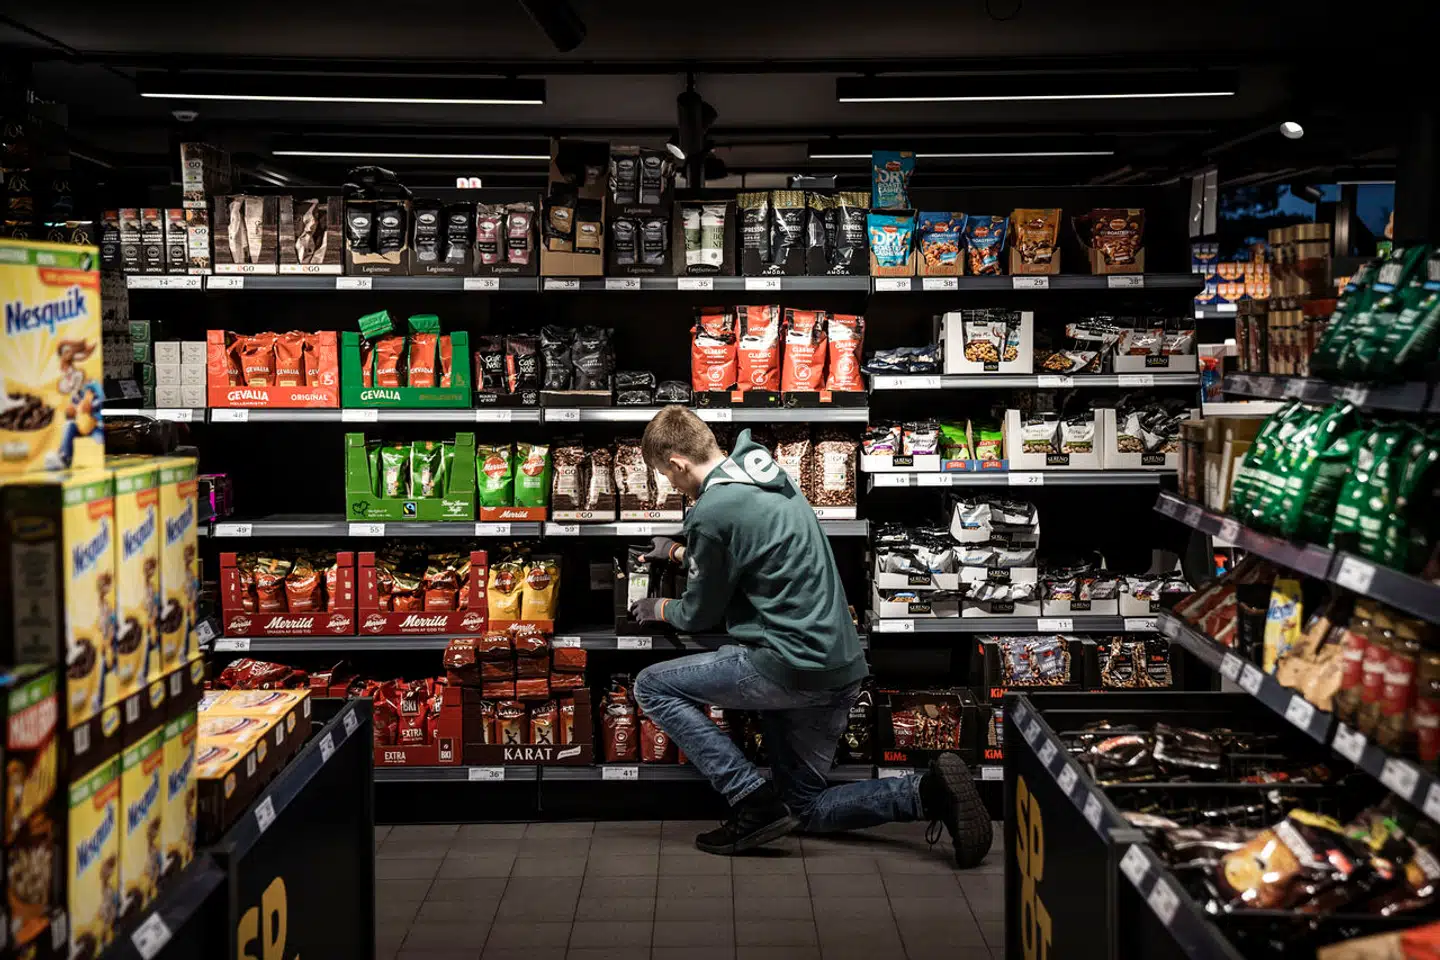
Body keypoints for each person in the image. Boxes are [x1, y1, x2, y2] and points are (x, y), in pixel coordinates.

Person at [630, 405, 991, 863]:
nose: (670, 485)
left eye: (666, 475)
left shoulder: (712, 510)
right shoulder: (760, 472)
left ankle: (750, 798)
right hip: (839, 667)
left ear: (678, 463)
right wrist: (683, 554)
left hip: (786, 666)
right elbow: (754, 553)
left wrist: (658, 606)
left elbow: (700, 613)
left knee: (653, 686)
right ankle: (926, 793)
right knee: (803, 807)